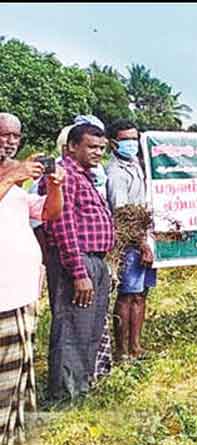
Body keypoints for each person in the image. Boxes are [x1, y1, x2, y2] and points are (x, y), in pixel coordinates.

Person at [40, 123, 115, 403]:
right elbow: (62, 225)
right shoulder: (65, 175)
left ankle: (80, 388)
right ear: (72, 146)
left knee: (89, 329)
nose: (97, 153)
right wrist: (78, 272)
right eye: (91, 147)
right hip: (77, 261)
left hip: (94, 260)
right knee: (72, 329)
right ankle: (65, 396)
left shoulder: (84, 175)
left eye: (101, 148)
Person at [0, 150, 64, 445]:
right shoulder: (11, 178)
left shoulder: (16, 188)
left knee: (17, 368)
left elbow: (49, 213)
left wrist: (54, 187)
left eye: (14, 136)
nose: (8, 143)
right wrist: (14, 174)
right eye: (2, 135)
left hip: (20, 289)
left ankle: (11, 435)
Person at [105, 119, 155, 360]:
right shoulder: (115, 173)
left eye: (134, 138)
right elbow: (122, 216)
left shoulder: (135, 163)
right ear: (114, 143)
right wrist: (142, 244)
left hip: (144, 240)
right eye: (126, 140)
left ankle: (136, 347)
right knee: (127, 296)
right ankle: (122, 351)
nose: (131, 144)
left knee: (141, 294)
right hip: (129, 244)